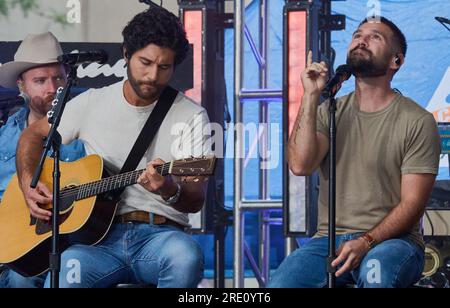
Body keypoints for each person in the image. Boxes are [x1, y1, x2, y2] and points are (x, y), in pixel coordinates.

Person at [15, 6, 210, 288]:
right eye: (145, 62)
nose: (153, 76)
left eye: (164, 67)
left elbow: (195, 199)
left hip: (160, 237)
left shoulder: (191, 116)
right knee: (66, 274)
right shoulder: (92, 102)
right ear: (126, 53)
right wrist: (27, 183)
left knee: (186, 257)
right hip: (96, 243)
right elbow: (32, 136)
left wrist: (168, 188)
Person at [269, 16, 441, 288]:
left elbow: (413, 205)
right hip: (327, 240)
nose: (361, 39)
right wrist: (311, 97)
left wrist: (366, 241)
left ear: (395, 61)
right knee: (280, 285)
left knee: (377, 278)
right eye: (357, 34)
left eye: (375, 37)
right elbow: (300, 165)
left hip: (392, 242)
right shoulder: (330, 110)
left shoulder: (416, 120)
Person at [0, 32, 86, 288]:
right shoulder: (5, 134)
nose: (52, 88)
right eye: (40, 81)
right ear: (21, 86)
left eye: (58, 77)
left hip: (57, 245)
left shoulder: (85, 127)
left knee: (21, 281)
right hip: (8, 243)